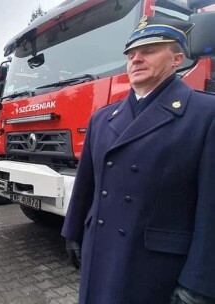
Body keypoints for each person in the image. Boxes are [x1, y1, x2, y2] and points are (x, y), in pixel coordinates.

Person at [61, 16, 215, 304]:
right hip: (100, 251)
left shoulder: (205, 114)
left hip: (155, 267)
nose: (137, 59)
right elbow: (86, 184)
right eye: (131, 54)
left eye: (149, 51)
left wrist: (199, 283)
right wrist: (72, 232)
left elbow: (211, 209)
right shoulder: (103, 118)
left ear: (176, 59)